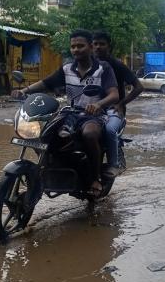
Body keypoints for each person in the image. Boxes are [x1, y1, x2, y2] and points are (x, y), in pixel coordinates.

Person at [11, 29, 119, 197]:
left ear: (90, 47)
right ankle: (50, 168)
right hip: (69, 113)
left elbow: (114, 94)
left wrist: (98, 104)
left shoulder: (103, 68)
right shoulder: (67, 68)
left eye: (80, 46)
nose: (76, 49)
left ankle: (94, 178)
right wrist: (24, 90)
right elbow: (46, 82)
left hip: (94, 116)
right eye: (73, 46)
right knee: (45, 133)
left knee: (90, 134)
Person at [92, 31, 143, 177]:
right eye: (95, 44)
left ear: (109, 47)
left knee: (109, 130)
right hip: (91, 109)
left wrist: (121, 103)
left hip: (113, 109)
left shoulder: (117, 65)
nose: (98, 47)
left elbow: (139, 87)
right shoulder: (87, 64)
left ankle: (114, 164)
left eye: (102, 44)